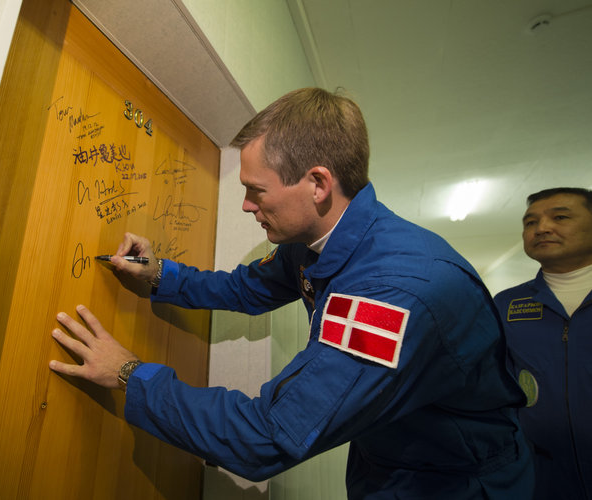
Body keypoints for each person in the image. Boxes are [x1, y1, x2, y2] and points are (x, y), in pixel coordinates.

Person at [49, 88, 533, 498]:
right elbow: (246, 289)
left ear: (317, 183)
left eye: (256, 190)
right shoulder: (318, 241)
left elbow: (266, 436)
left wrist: (131, 374)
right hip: (390, 453)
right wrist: (158, 275)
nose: (244, 205)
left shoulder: (392, 293)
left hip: (452, 483)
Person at [494, 187, 592, 500]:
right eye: (530, 222)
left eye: (560, 217)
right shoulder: (507, 305)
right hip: (538, 479)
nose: (542, 228)